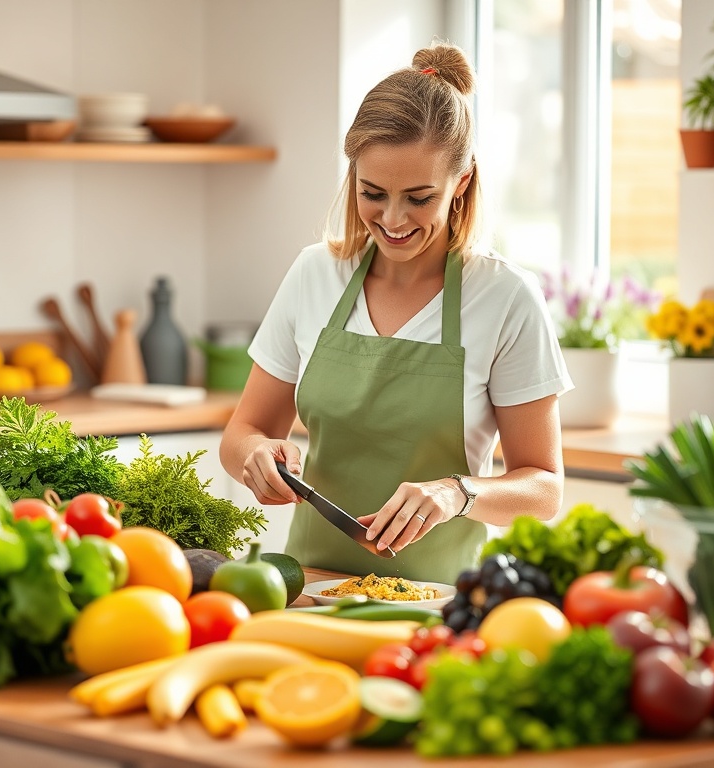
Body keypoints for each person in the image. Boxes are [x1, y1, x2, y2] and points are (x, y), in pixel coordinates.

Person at [219, 41, 572, 584]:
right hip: (309, 587)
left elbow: (544, 487)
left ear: (462, 182)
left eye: (419, 198)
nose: (392, 219)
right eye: (373, 193)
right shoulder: (315, 274)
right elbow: (242, 432)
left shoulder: (505, 298)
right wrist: (256, 454)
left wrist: (456, 493)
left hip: (442, 599)